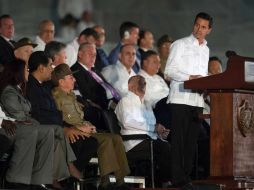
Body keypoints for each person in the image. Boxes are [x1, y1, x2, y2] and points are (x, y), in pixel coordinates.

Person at [0, 58, 81, 188]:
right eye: (25, 70)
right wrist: (29, 120)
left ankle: (58, 170)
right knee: (43, 131)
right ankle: (30, 179)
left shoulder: (18, 89)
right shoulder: (9, 91)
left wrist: (29, 119)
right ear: (17, 72)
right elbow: (18, 115)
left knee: (57, 129)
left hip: (22, 123)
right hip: (12, 127)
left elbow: (25, 113)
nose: (28, 71)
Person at [51, 63, 130, 190]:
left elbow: (79, 117)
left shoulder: (72, 96)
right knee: (106, 140)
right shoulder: (56, 97)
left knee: (116, 138)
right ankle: (105, 182)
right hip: (75, 133)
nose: (75, 80)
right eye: (71, 78)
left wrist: (88, 125)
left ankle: (120, 179)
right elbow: (59, 120)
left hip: (85, 129)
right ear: (61, 82)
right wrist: (80, 128)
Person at [164, 12, 213, 190]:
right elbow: (168, 71)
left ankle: (185, 177)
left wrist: (206, 83)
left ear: (209, 30)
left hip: (197, 100)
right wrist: (191, 78)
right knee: (179, 140)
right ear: (193, 25)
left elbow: (202, 74)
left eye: (203, 27)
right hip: (180, 98)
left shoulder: (206, 50)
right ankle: (177, 179)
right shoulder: (180, 44)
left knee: (191, 141)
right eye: (197, 25)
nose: (199, 29)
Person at [115, 75, 171, 187]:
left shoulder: (147, 103)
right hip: (133, 142)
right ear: (130, 86)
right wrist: (153, 128)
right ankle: (165, 183)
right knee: (165, 148)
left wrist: (160, 133)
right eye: (139, 81)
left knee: (171, 145)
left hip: (148, 140)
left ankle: (163, 182)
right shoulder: (125, 101)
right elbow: (127, 123)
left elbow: (152, 126)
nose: (143, 83)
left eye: (144, 82)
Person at [71, 42, 120, 110]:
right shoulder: (75, 71)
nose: (93, 57)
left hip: (115, 102)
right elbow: (89, 95)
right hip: (104, 108)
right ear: (80, 54)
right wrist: (110, 104)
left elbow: (107, 86)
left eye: (94, 55)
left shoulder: (94, 70)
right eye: (90, 54)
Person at [138, 50, 170, 129]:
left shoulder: (159, 77)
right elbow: (147, 100)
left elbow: (168, 92)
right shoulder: (139, 79)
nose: (158, 65)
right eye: (155, 62)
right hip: (156, 109)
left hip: (168, 105)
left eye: (159, 62)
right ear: (145, 63)